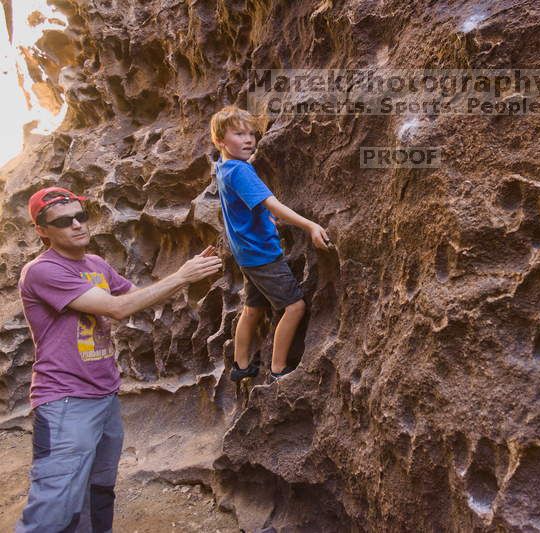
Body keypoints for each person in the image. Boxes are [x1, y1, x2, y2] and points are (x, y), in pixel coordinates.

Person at [16, 186, 222, 532]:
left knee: (98, 493)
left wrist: (195, 280)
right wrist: (183, 275)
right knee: (54, 505)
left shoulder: (95, 264)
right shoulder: (42, 271)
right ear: (42, 231)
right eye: (64, 221)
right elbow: (117, 307)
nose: (78, 225)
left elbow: (137, 299)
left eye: (81, 216)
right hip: (64, 401)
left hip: (104, 396)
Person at [209, 106, 331, 384]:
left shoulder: (223, 167)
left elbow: (245, 207)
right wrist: (310, 225)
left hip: (246, 254)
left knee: (253, 309)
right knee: (295, 306)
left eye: (251, 134)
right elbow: (271, 203)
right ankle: (278, 369)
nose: (249, 139)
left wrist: (266, 220)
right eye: (239, 134)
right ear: (219, 140)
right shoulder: (241, 171)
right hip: (263, 255)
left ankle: (241, 365)